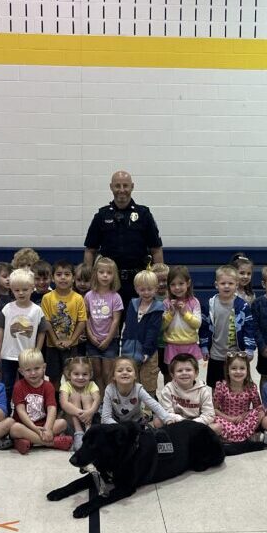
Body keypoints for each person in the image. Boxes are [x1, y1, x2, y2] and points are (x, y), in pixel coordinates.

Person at [83, 170, 164, 307]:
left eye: (125, 186)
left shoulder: (143, 214)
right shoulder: (102, 215)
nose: (122, 190)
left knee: (137, 325)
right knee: (109, 324)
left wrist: (159, 280)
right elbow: (90, 250)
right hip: (108, 282)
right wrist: (90, 278)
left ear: (132, 187)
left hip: (139, 283)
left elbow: (156, 249)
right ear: (111, 187)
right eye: (117, 186)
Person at [200, 265, 256, 388]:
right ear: (216, 285)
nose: (226, 286)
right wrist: (204, 346)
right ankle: (216, 408)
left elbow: (249, 328)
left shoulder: (243, 306)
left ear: (236, 285)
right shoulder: (210, 305)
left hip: (236, 355)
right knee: (216, 386)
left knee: (236, 385)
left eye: (230, 283)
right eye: (223, 283)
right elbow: (204, 328)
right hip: (215, 354)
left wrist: (249, 348)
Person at [0, 268, 47, 400]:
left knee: (29, 384)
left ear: (32, 288)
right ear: (12, 290)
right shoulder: (7, 308)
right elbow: (0, 329)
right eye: (17, 290)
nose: (21, 293)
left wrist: (37, 351)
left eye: (25, 289)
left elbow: (42, 332)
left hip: (28, 357)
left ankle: (27, 411)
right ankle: (6, 412)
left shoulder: (37, 310)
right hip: (8, 354)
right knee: (8, 385)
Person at [9, 349, 70, 454]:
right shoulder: (18, 386)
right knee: (14, 428)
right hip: (25, 425)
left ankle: (28, 441)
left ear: (44, 367)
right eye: (28, 370)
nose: (33, 373)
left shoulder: (48, 386)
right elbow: (21, 411)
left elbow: (52, 408)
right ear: (21, 371)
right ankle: (52, 443)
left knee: (62, 423)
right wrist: (35, 429)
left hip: (43, 424)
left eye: (37, 368)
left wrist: (48, 428)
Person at [41, 259, 88, 388]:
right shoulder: (47, 298)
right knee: (54, 377)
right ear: (52, 278)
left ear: (73, 278)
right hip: (52, 345)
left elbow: (82, 321)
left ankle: (70, 404)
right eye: (59, 274)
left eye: (67, 274)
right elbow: (46, 321)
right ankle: (55, 404)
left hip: (72, 345)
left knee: (72, 375)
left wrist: (71, 340)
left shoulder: (78, 298)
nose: (63, 278)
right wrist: (55, 340)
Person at [119, 270, 165, 396]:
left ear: (156, 289)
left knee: (148, 381)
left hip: (148, 352)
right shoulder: (132, 304)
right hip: (129, 350)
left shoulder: (158, 307)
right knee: (131, 381)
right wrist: (123, 346)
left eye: (149, 289)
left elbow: (153, 331)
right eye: (142, 289)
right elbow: (127, 327)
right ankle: (134, 410)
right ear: (136, 289)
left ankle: (149, 410)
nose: (146, 293)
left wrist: (146, 351)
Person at [84, 257, 124, 390]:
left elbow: (116, 320)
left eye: (109, 273)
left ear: (114, 276)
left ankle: (110, 401)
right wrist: (90, 336)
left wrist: (108, 339)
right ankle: (99, 402)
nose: (105, 275)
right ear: (95, 274)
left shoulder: (115, 297)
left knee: (108, 373)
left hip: (110, 341)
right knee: (96, 373)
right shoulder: (89, 296)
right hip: (93, 341)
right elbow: (86, 318)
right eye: (101, 272)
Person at [102, 356, 173, 427]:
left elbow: (154, 404)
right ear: (113, 376)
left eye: (129, 370)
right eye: (120, 371)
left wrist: (167, 418)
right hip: (116, 424)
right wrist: (120, 428)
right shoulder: (110, 389)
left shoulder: (138, 388)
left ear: (135, 375)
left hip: (136, 423)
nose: (125, 373)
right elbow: (106, 417)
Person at [210, 352, 265, 444]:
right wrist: (229, 419)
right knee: (214, 420)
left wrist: (244, 415)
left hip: (244, 421)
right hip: (226, 420)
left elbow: (257, 407)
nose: (238, 372)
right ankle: (247, 437)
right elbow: (214, 409)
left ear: (247, 370)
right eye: (234, 368)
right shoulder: (221, 386)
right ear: (227, 370)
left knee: (260, 413)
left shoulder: (251, 387)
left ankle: (229, 438)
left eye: (242, 368)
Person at [162, 265, 203, 369]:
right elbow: (161, 326)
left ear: (188, 283)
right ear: (169, 286)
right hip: (172, 345)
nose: (177, 288)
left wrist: (185, 313)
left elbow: (197, 324)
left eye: (181, 283)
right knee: (174, 374)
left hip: (190, 344)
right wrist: (170, 314)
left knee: (190, 373)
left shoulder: (194, 302)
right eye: (173, 284)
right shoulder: (166, 303)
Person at [58, 356, 101, 450]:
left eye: (85, 374)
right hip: (71, 424)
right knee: (74, 396)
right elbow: (64, 404)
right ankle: (79, 433)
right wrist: (82, 413)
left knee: (87, 397)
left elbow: (97, 400)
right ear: (69, 374)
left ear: (90, 374)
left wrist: (89, 412)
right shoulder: (66, 386)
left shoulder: (92, 385)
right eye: (76, 374)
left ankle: (88, 431)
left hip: (89, 421)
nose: (80, 377)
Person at [158, 354, 215, 425]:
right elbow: (167, 412)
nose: (184, 373)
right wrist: (183, 422)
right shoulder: (168, 389)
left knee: (217, 427)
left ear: (196, 373)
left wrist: (192, 423)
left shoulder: (202, 390)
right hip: (176, 423)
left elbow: (209, 414)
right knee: (157, 422)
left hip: (196, 424)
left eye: (188, 370)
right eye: (179, 370)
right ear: (172, 375)